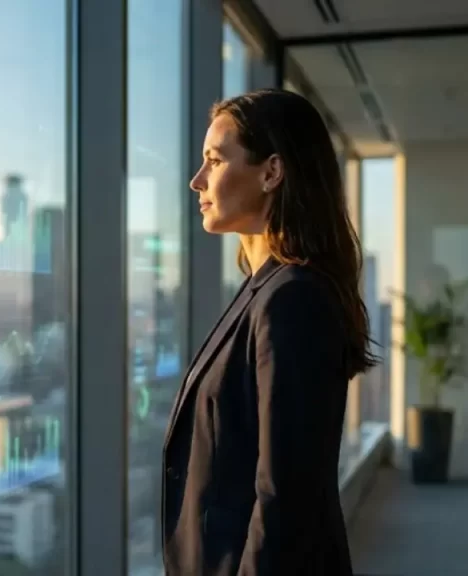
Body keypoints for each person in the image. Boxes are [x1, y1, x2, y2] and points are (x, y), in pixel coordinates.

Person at [161, 89, 376, 576]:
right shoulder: (264, 290)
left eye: (214, 161)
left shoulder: (292, 299)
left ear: (271, 172)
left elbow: (286, 496)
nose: (197, 181)